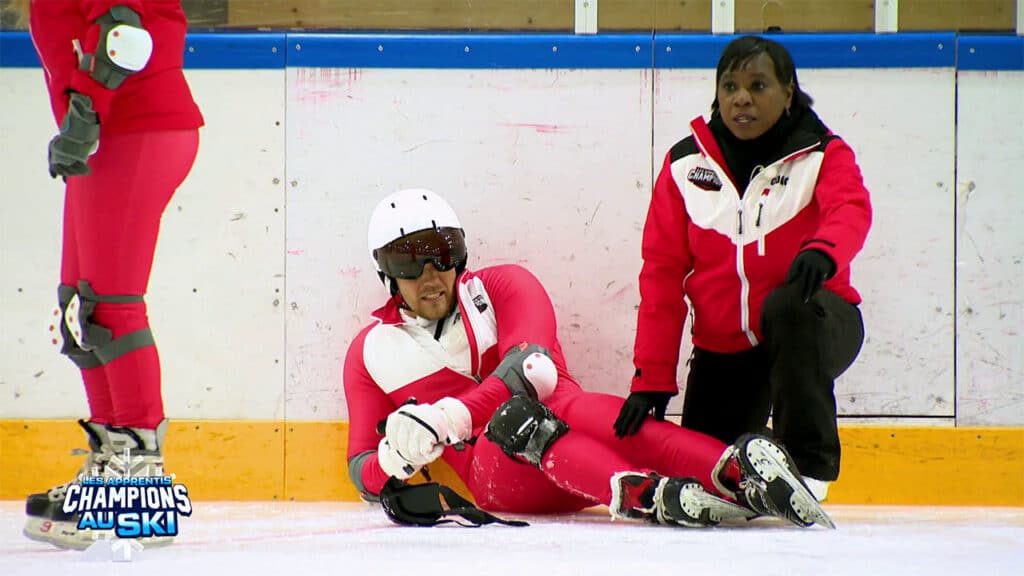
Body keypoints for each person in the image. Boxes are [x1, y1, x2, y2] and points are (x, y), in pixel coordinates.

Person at [344, 188, 834, 530]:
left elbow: (531, 367)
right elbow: (362, 473)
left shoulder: (505, 286)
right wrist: (394, 456)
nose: (431, 275)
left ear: (462, 254)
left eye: (443, 253)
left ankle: (732, 474)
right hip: (499, 477)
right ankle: (650, 493)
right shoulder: (370, 353)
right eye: (409, 262)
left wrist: (449, 415)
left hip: (582, 432)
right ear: (385, 272)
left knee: (560, 399)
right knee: (515, 418)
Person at [614, 35, 872, 503]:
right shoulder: (684, 167)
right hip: (726, 348)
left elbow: (851, 208)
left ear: (788, 92)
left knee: (790, 305)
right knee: (708, 475)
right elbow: (662, 277)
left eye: (757, 85)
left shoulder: (823, 155)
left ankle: (807, 468)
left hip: (813, 325)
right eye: (729, 86)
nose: (741, 98)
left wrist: (824, 250)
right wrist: (651, 379)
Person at [21, 0, 203, 549]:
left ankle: (139, 485)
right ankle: (112, 466)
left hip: (135, 125)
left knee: (112, 305)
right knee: (82, 307)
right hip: (108, 130)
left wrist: (85, 114)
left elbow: (125, 32)